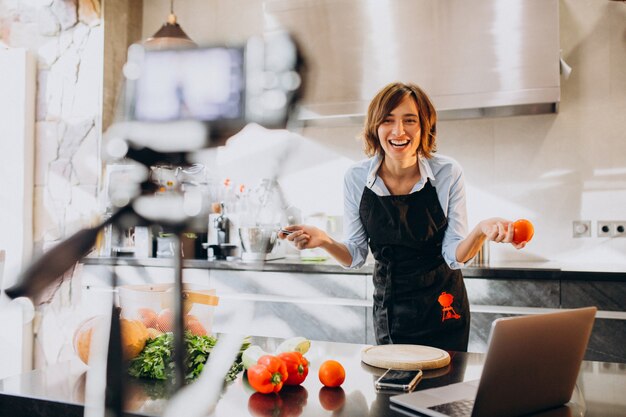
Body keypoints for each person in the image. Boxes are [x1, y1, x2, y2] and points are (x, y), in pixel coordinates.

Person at [279, 82, 527, 352]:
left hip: (444, 307)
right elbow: (355, 255)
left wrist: (480, 230)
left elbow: (454, 255)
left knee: (447, 391)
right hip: (392, 310)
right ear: (375, 127)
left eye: (410, 120)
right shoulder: (356, 178)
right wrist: (325, 240)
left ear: (424, 127)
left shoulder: (447, 173)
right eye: (388, 121)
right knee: (394, 392)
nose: (399, 131)